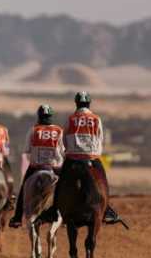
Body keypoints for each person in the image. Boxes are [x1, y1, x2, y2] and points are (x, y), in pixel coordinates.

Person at [61, 91, 121, 224]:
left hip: (73, 158)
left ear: (76, 103)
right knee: (103, 181)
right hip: (92, 157)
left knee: (61, 181)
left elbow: (63, 140)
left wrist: (70, 150)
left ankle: (56, 208)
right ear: (89, 103)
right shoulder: (96, 119)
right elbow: (100, 138)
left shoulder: (70, 119)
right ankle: (107, 210)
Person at [9, 104, 64, 228]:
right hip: (54, 168)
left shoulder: (34, 129)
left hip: (36, 167)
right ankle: (67, 214)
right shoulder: (58, 131)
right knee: (68, 186)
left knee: (23, 188)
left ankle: (17, 218)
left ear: (39, 116)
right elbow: (63, 151)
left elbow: (27, 150)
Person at [0, 109, 15, 201]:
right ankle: (11, 195)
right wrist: (5, 153)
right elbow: (7, 143)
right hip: (1, 156)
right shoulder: (4, 129)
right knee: (9, 175)